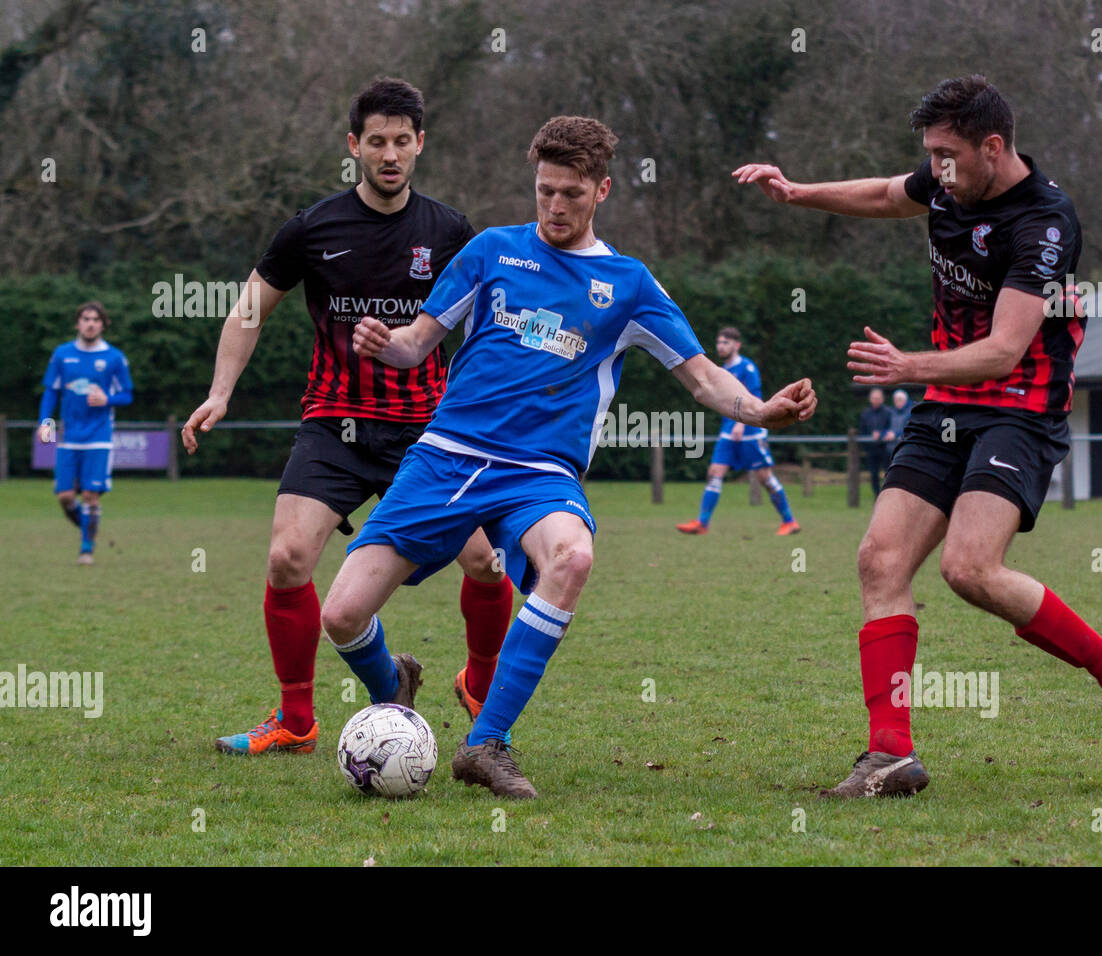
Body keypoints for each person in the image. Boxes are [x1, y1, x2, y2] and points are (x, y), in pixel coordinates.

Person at [319, 115, 817, 798]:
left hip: (538, 475)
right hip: (445, 457)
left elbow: (702, 376)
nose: (555, 207)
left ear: (602, 190)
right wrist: (386, 342)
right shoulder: (492, 251)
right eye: (545, 191)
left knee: (572, 558)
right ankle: (393, 692)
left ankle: (487, 744)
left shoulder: (629, 284)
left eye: (571, 195)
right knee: (342, 615)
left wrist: (761, 411)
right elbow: (417, 344)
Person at [733, 74, 1102, 798]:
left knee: (968, 569)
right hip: (945, 402)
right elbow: (881, 195)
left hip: (1019, 407)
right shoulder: (947, 184)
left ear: (992, 148)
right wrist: (797, 191)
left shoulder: (1045, 223)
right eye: (930, 155)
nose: (935, 168)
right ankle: (890, 754)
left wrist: (906, 366)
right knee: (879, 559)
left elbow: (1003, 350)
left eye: (947, 154)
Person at [182, 77, 512, 756]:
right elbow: (250, 308)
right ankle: (301, 719)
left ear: (420, 144)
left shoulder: (450, 231)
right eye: (376, 141)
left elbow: (488, 329)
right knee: (286, 559)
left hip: (430, 429)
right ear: (353, 145)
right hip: (335, 423)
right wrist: (220, 392)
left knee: (486, 562)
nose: (389, 154)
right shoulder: (313, 228)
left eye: (402, 141)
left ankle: (479, 682)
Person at [676, 327, 800, 535]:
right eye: (719, 342)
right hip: (728, 431)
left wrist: (741, 424)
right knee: (715, 473)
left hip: (750, 432)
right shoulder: (721, 371)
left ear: (737, 345)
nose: (720, 346)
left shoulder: (747, 368)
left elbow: (754, 399)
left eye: (725, 342)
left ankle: (789, 521)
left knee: (765, 478)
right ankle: (702, 523)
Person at [37, 301, 133, 566]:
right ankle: (89, 527)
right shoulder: (61, 354)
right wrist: (45, 422)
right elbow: (51, 392)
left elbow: (127, 395)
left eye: (95, 319)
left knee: (90, 494)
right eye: (85, 319)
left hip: (99, 436)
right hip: (69, 436)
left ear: (103, 324)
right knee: (65, 496)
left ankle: (86, 549)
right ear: (78, 323)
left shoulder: (114, 358)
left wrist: (108, 399)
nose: (90, 323)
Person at [857, 387, 892, 496]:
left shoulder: (888, 412)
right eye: (874, 398)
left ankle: (887, 495)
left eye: (878, 398)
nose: (876, 400)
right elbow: (862, 431)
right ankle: (877, 496)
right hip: (872, 449)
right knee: (873, 474)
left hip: (886, 449)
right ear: (870, 399)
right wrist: (867, 445)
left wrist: (881, 435)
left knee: (888, 473)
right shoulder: (865, 414)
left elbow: (891, 428)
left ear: (882, 399)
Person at [886, 388, 913, 456]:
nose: (897, 402)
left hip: (906, 448)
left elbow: (910, 429)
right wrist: (882, 434)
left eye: (899, 400)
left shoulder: (911, 412)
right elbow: (887, 427)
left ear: (905, 400)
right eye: (895, 400)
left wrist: (895, 434)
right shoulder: (891, 412)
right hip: (892, 448)